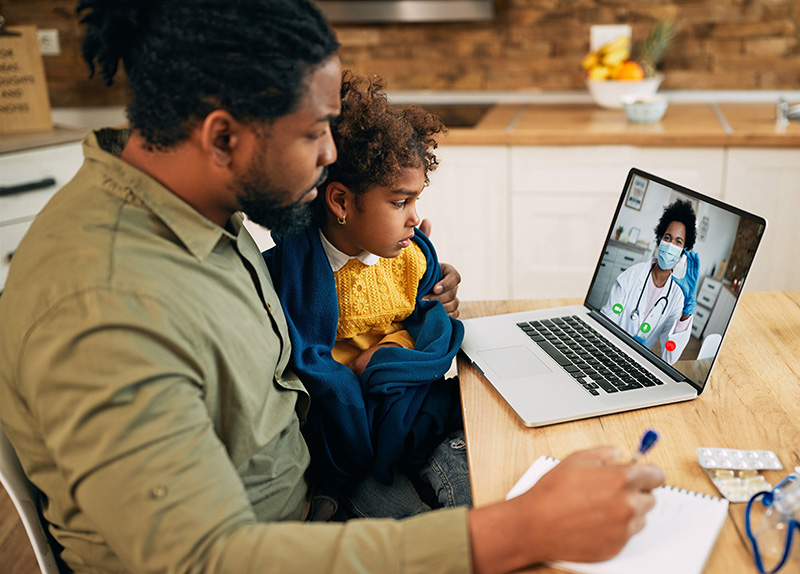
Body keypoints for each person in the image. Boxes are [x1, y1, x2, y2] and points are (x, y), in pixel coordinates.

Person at [0, 1, 664, 573]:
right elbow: (210, 560)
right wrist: (520, 529)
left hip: (317, 497)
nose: (328, 155)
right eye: (316, 131)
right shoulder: (106, 308)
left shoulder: (189, 204)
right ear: (223, 136)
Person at [264, 71, 469, 519]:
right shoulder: (291, 273)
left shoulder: (409, 256)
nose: (415, 218)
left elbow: (431, 321)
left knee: (473, 437)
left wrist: (386, 355)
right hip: (346, 429)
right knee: (410, 522)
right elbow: (306, 366)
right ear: (340, 202)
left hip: (407, 404)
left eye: (416, 201)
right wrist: (357, 377)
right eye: (400, 203)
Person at [601, 199, 700, 364]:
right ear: (660, 239)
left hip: (639, 363)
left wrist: (687, 311)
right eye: (667, 238)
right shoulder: (632, 275)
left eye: (678, 241)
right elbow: (606, 321)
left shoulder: (677, 296)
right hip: (609, 351)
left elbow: (670, 356)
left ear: (684, 250)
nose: (670, 245)